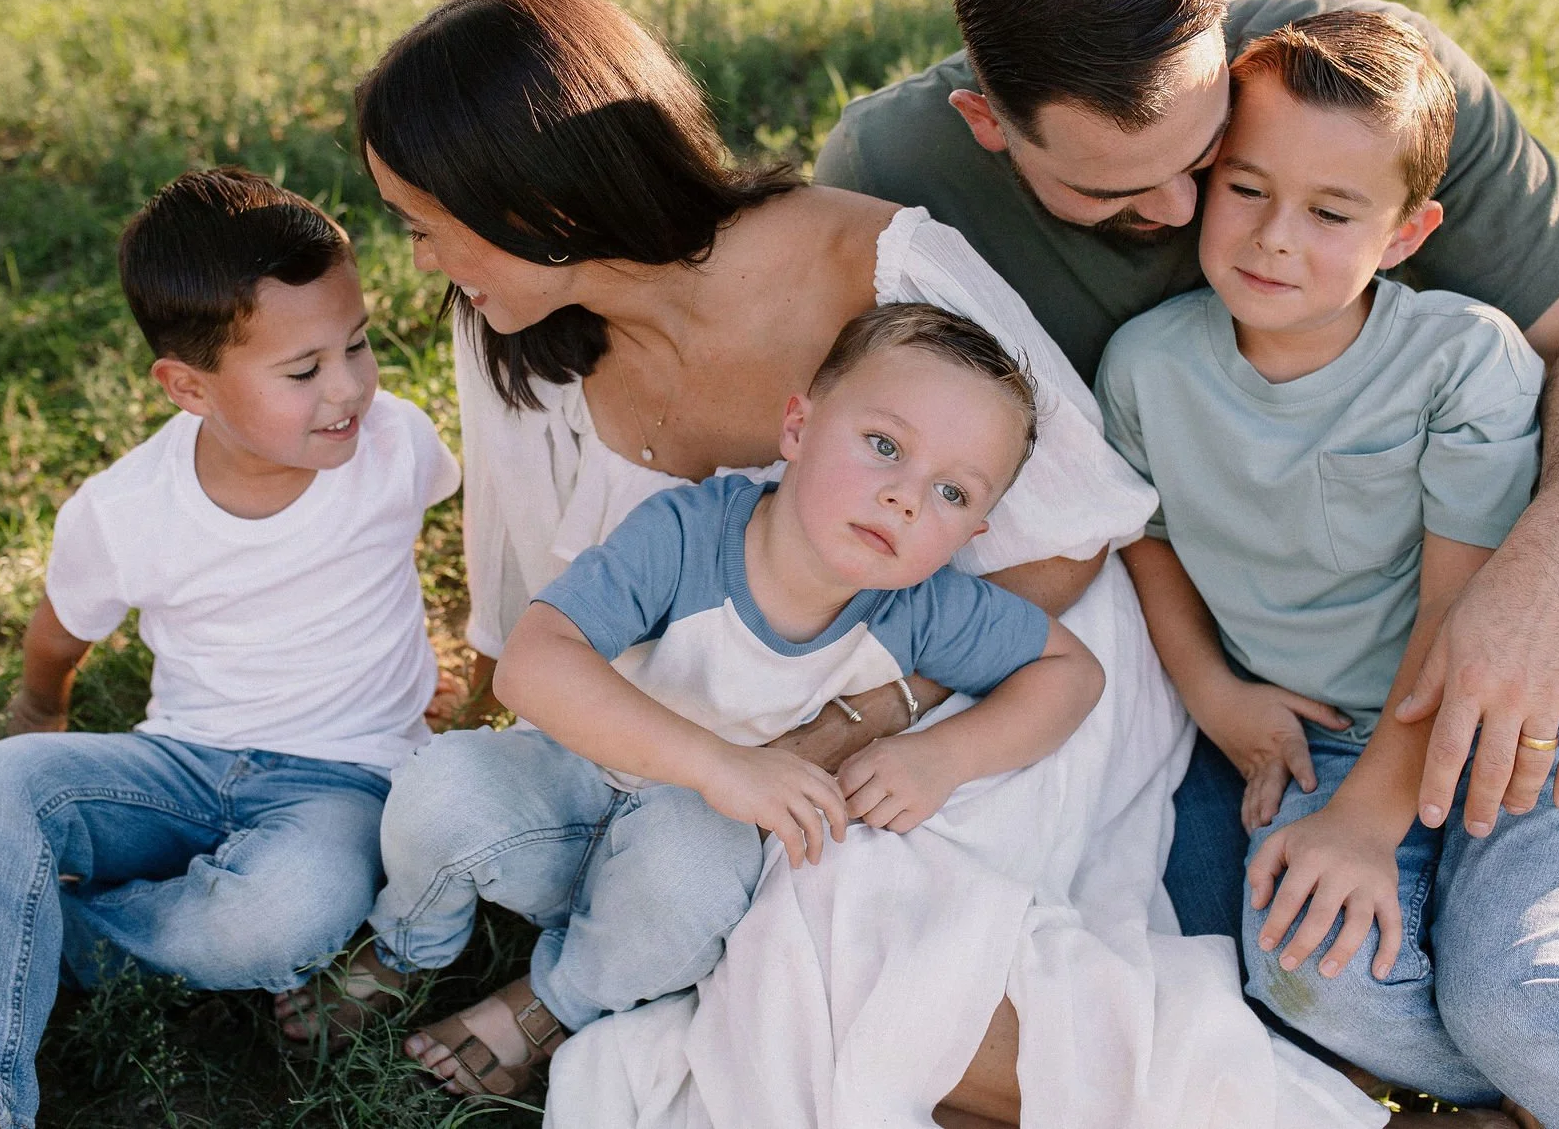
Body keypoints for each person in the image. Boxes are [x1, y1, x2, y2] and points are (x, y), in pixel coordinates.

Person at [337, 0, 1475, 1127]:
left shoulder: (878, 266)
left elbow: (1072, 537)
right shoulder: (514, 335)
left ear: (537, 202)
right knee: (737, 915)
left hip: (976, 672)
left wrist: (855, 723)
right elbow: (519, 597)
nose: (423, 260)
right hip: (710, 705)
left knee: (836, 945)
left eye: (427, 225)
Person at [814, 0, 1559, 1004]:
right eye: (1114, 192)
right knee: (1248, 966)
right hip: (1205, 642)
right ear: (987, 128)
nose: (1187, 216)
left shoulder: (1348, 82)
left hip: (1459, 523)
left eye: (1203, 159)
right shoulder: (886, 184)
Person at [1096, 9, 1559, 1125]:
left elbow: (1460, 605)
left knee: (1514, 996)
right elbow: (1142, 536)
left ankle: (1556, 1043)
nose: (1275, 237)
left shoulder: (1458, 360)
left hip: (1506, 727)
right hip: (1315, 743)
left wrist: (1367, 824)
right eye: (1245, 190)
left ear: (1404, 231)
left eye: (1331, 212)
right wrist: (1210, 689)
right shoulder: (1144, 367)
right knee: (1308, 980)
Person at [354, 304, 1103, 1096]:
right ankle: (407, 943)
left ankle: (549, 1002)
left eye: (951, 492)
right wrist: (718, 764)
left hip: (684, 852)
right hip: (569, 783)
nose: (905, 498)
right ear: (798, 427)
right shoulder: (690, 532)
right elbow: (532, 664)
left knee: (695, 882)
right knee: (441, 789)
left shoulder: (920, 607)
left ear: (974, 530)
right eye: (883, 446)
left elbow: (1071, 672)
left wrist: (943, 754)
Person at [0, 169, 461, 1129]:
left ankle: (35, 924)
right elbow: (60, 624)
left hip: (343, 784)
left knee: (276, 921)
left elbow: (464, 557)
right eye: (304, 370)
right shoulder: (129, 509)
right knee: (0, 781)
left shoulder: (395, 444)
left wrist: (457, 673)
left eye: (358, 345)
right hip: (179, 762)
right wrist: (40, 705)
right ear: (187, 386)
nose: (350, 388)